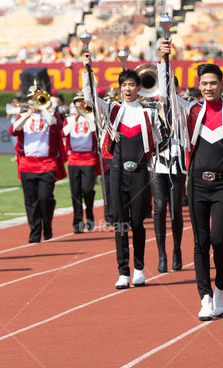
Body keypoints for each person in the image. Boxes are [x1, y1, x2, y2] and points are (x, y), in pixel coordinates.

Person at [156, 40, 223, 320]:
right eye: (204, 83)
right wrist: (162, 60)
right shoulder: (190, 110)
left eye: (213, 83)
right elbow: (166, 93)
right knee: (200, 242)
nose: (208, 87)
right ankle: (205, 297)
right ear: (199, 86)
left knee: (218, 240)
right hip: (197, 182)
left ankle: (221, 288)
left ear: (222, 84)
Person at [82, 54, 161, 290]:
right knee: (119, 223)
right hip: (116, 173)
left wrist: (147, 160)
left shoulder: (150, 112)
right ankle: (123, 272)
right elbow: (89, 98)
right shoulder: (112, 109)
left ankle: (139, 268)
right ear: (119, 89)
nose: (127, 89)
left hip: (139, 174)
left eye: (131, 85)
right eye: (124, 85)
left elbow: (160, 139)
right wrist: (88, 69)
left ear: (139, 88)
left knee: (137, 223)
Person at [11, 88, 65, 243]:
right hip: (27, 164)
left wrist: (44, 109)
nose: (33, 101)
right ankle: (34, 232)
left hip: (47, 164)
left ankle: (47, 225)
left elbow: (56, 127)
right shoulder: (23, 116)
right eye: (31, 99)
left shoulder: (51, 115)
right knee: (31, 201)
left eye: (37, 98)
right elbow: (14, 130)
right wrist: (26, 116)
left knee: (45, 198)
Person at [149, 76, 186, 272]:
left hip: (177, 164)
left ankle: (177, 249)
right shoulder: (153, 107)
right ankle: (161, 254)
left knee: (175, 212)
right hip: (157, 165)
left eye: (171, 86)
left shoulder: (183, 105)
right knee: (160, 208)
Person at [63, 93, 100, 234]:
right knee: (76, 192)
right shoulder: (69, 119)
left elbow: (94, 130)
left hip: (88, 158)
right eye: (77, 102)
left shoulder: (91, 117)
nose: (79, 104)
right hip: (74, 159)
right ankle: (77, 222)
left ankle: (89, 215)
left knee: (88, 189)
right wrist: (76, 118)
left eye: (81, 101)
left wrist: (85, 116)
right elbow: (64, 132)